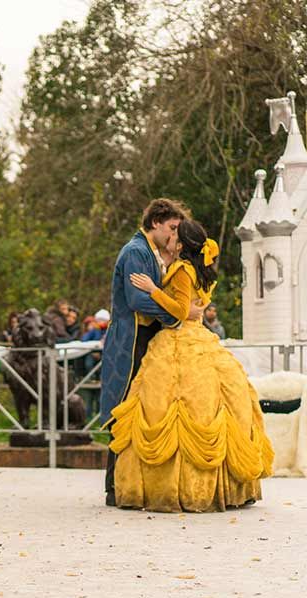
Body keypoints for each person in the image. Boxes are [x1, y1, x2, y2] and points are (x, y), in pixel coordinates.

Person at [109, 218, 274, 511]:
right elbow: (193, 307)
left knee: (173, 399)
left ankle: (179, 487)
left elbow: (181, 310)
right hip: (197, 337)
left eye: (176, 234)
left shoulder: (184, 269)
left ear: (182, 244)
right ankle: (227, 486)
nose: (171, 236)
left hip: (180, 337)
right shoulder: (199, 267)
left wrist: (152, 288)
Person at [99, 198, 203, 507]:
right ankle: (115, 486)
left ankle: (132, 482)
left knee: (142, 409)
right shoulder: (135, 252)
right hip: (129, 340)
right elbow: (136, 300)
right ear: (156, 221)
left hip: (144, 336)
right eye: (171, 227)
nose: (174, 234)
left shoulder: (150, 253)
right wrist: (174, 316)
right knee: (124, 409)